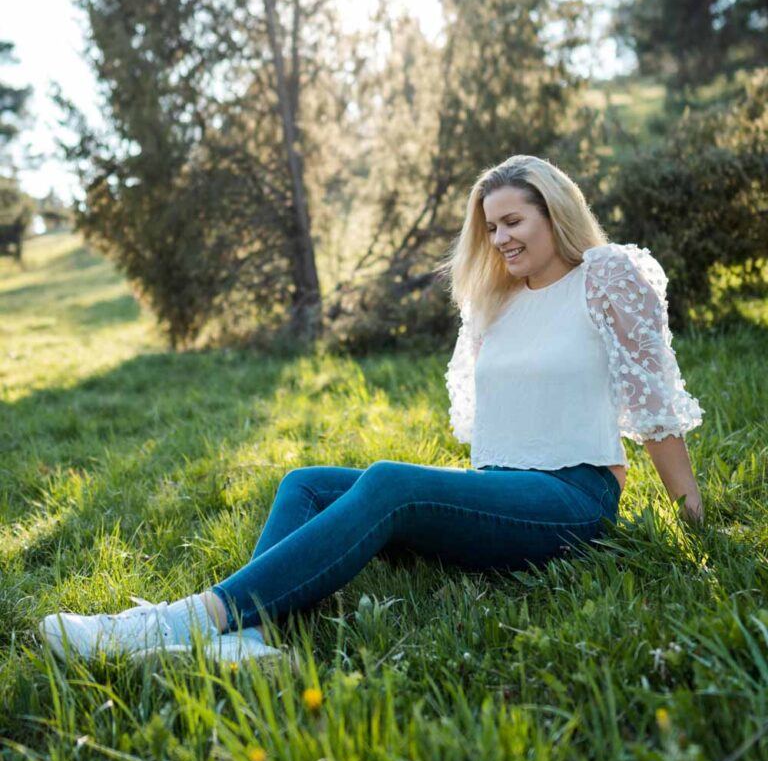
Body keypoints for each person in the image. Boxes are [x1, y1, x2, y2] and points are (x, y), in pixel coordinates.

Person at [39, 154, 705, 666]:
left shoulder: (607, 276)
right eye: (490, 226)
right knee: (306, 484)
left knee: (388, 480)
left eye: (513, 221)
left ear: (554, 213)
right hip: (502, 490)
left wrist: (692, 521)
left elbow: (653, 405)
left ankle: (184, 620)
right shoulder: (495, 303)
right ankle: (248, 639)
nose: (499, 238)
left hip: (574, 498)